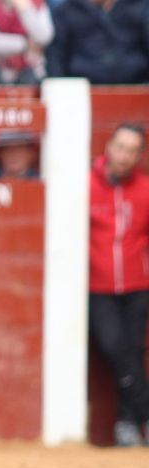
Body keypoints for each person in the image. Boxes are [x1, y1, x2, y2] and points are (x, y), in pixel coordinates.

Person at [88, 123, 149, 447]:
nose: (124, 156)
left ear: (139, 156)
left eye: (132, 150)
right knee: (115, 348)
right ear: (109, 146)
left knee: (134, 352)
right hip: (99, 286)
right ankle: (145, 414)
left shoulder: (145, 190)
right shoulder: (86, 184)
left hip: (138, 285)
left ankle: (126, 424)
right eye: (120, 147)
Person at [47, 0, 149, 84]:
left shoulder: (140, 7)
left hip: (137, 86)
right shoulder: (65, 11)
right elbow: (55, 58)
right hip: (81, 91)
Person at [0, 0, 50, 84]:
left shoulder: (36, 3)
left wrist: (26, 9)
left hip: (32, 71)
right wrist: (25, 44)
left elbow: (43, 37)